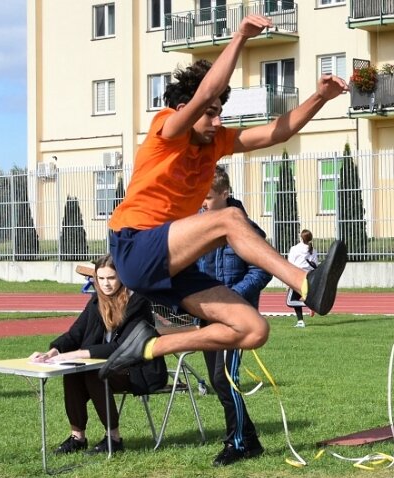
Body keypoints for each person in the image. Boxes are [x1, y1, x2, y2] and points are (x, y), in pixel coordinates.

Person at [98, 14, 348, 381]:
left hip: (172, 264)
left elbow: (276, 134)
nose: (217, 122)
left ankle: (148, 345)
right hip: (135, 247)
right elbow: (203, 94)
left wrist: (321, 97)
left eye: (221, 114)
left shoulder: (214, 144)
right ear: (186, 111)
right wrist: (240, 38)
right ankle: (306, 283)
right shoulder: (166, 130)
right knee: (229, 217)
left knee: (253, 329)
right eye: (211, 114)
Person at [29, 255, 167, 456]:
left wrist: (78, 353)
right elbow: (75, 333)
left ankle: (114, 438)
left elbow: (122, 347)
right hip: (107, 367)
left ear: (122, 276)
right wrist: (53, 351)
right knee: (74, 372)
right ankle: (78, 437)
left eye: (110, 278)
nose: (105, 284)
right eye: (100, 279)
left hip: (138, 369)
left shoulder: (138, 302)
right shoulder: (96, 300)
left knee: (94, 373)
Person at [196, 166, 272, 466]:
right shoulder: (197, 226)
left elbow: (262, 269)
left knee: (224, 378)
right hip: (207, 315)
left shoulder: (245, 228)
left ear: (225, 194)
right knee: (219, 382)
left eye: (208, 196)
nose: (202, 202)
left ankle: (236, 443)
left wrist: (232, 297)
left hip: (238, 317)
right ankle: (250, 440)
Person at [286, 229, 318, 328]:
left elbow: (290, 265)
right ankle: (300, 322)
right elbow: (315, 265)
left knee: (290, 301)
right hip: (309, 277)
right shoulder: (313, 250)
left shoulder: (294, 249)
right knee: (294, 299)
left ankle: (307, 310)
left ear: (301, 238)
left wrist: (288, 281)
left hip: (297, 277)